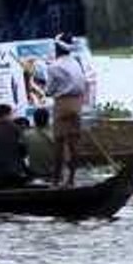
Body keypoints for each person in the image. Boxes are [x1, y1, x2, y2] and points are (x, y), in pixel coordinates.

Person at [46, 34, 87, 187]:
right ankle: (71, 180)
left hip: (62, 104)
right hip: (77, 104)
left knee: (59, 141)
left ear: (57, 48)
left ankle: (56, 180)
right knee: (73, 142)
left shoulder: (54, 66)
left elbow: (49, 91)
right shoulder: (76, 62)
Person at [0, 103, 27, 187]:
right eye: (11, 114)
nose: (12, 117)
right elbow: (23, 150)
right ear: (5, 114)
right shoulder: (15, 127)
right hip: (15, 172)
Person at [22, 107, 56, 179]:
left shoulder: (27, 135)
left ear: (34, 120)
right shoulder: (56, 134)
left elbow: (22, 154)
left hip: (35, 174)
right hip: (54, 173)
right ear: (48, 119)